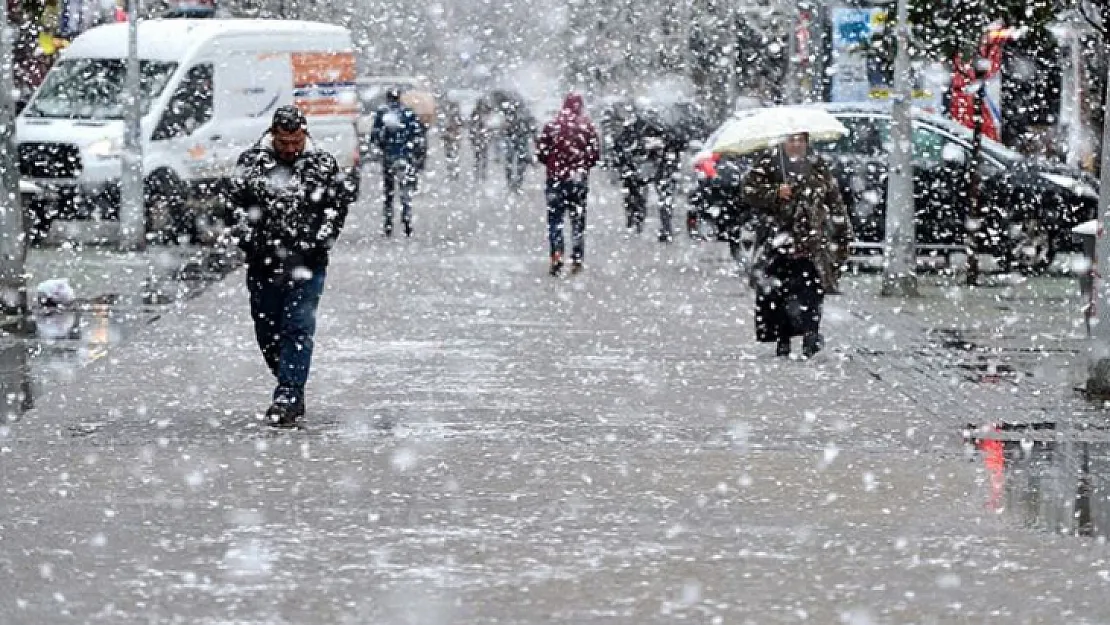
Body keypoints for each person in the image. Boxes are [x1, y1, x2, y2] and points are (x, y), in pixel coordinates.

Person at [229, 105, 358, 427]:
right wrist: (248, 240)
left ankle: (288, 393)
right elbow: (234, 208)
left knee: (298, 327)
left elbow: (336, 209)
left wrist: (318, 243)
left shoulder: (322, 164)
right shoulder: (251, 163)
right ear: (273, 136)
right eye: (284, 142)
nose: (290, 149)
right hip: (264, 263)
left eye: (296, 142)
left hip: (306, 263)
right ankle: (289, 381)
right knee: (268, 330)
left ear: (305, 134)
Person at [744, 132, 852, 359]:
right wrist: (775, 193)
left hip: (810, 242)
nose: (796, 144)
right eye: (792, 140)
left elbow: (834, 200)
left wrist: (842, 233)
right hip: (778, 242)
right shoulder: (770, 163)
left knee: (812, 291)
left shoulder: (817, 165)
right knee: (779, 293)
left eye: (801, 140)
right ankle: (783, 339)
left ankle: (811, 336)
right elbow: (749, 192)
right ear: (784, 141)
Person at [535, 93, 600, 276]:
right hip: (578, 180)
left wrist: (553, 164)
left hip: (556, 179)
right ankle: (577, 258)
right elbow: (594, 155)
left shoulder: (553, 125)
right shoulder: (587, 127)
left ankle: (557, 254)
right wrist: (581, 166)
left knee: (555, 220)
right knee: (578, 220)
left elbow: (542, 153)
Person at [612, 106, 682, 241]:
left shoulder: (635, 128)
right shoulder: (663, 128)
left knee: (637, 195)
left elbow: (620, 146)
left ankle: (636, 222)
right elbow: (676, 144)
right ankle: (663, 228)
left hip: (640, 167)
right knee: (662, 197)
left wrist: (624, 162)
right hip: (657, 167)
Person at [370, 88, 427, 237]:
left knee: (389, 192)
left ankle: (388, 223)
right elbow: (417, 135)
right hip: (405, 157)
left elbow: (375, 136)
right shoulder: (408, 113)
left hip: (389, 157)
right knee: (405, 191)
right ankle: (406, 221)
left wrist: (382, 147)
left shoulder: (383, 114)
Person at [501, 100, 536, 193]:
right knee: (518, 162)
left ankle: (514, 183)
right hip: (517, 140)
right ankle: (515, 183)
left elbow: (531, 129)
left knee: (516, 162)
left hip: (517, 140)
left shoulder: (513, 116)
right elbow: (532, 129)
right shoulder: (521, 116)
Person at [439, 98, 464, 180]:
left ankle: (452, 170)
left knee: (451, 154)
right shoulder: (451, 117)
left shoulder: (448, 116)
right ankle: (452, 170)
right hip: (451, 138)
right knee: (452, 154)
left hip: (451, 138)